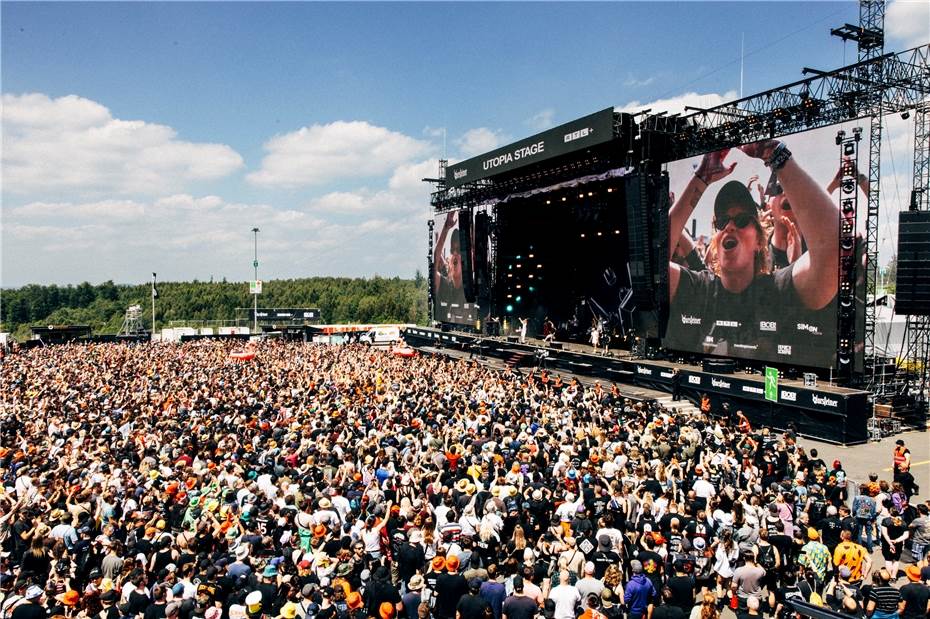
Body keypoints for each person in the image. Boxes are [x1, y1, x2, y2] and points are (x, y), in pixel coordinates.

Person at [666, 140, 839, 365]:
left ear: (759, 240)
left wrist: (776, 156)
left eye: (742, 220)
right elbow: (648, 268)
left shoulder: (780, 289)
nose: (730, 226)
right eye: (723, 222)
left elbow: (833, 248)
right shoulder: (699, 289)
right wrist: (701, 178)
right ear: (716, 241)